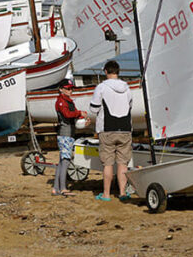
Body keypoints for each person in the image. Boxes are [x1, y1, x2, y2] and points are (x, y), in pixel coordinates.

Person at [89, 60, 134, 202]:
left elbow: (94, 108)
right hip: (125, 129)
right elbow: (130, 106)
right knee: (123, 163)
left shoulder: (101, 87)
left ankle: (106, 194)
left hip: (107, 129)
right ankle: (122, 193)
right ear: (118, 72)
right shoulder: (127, 88)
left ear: (106, 72)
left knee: (108, 164)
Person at [53, 79, 86, 196]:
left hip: (68, 133)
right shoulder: (62, 101)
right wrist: (79, 113)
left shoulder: (67, 101)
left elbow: (73, 115)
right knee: (66, 161)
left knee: (62, 161)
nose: (70, 90)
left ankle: (56, 188)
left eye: (71, 88)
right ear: (61, 89)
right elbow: (67, 114)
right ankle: (63, 188)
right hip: (65, 134)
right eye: (68, 88)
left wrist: (82, 119)